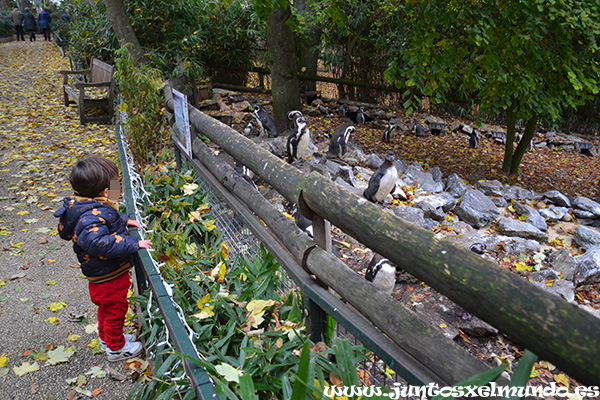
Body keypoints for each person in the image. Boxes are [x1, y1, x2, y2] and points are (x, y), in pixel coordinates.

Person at [54, 155, 152, 362]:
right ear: (106, 192)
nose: (118, 189)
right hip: (109, 275)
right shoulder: (90, 215)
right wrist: (134, 244)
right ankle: (116, 349)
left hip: (101, 274)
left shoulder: (85, 205)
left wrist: (124, 221)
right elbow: (99, 242)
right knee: (116, 310)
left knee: (105, 309)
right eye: (115, 185)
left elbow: (106, 218)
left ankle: (106, 338)